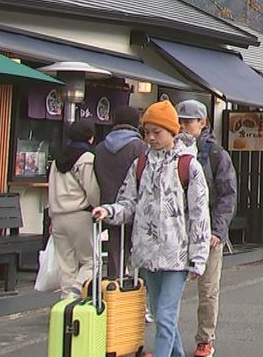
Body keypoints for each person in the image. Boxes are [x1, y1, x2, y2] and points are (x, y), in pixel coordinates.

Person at [93, 100, 211, 357]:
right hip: (147, 254)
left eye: (156, 132)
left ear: (172, 131)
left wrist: (198, 257)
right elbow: (128, 203)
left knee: (166, 316)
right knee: (159, 315)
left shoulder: (189, 165)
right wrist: (109, 211)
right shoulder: (140, 164)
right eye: (147, 132)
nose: (150, 137)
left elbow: (200, 215)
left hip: (176, 256)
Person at [176, 100, 237, 357]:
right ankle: (169, 339)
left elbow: (228, 195)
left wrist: (217, 231)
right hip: (177, 230)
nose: (184, 126)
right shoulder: (171, 150)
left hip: (209, 231)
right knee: (170, 289)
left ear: (203, 123)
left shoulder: (216, 154)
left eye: (189, 121)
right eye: (180, 121)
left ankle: (205, 339)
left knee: (208, 289)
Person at [47, 118, 101, 297]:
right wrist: (98, 207)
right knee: (92, 261)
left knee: (65, 264)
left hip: (57, 216)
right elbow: (92, 190)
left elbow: (51, 189)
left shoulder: (57, 160)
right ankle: (75, 293)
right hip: (79, 215)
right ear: (91, 137)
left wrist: (51, 216)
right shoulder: (86, 158)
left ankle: (65, 303)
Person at [93, 105, 148, 276]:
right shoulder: (140, 147)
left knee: (115, 249)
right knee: (140, 249)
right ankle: (137, 288)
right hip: (136, 206)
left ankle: (114, 285)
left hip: (108, 204)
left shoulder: (100, 148)